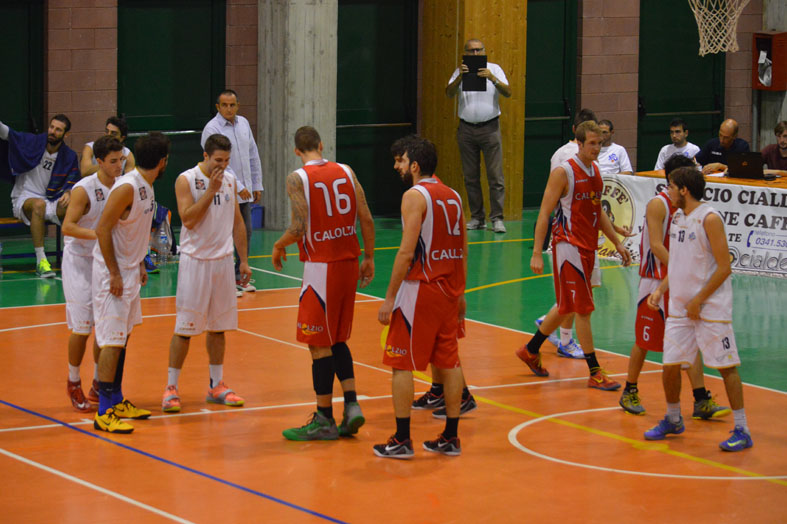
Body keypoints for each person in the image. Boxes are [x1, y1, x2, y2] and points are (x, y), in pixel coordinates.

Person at [272, 126, 375, 441]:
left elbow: (299, 226)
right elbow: (366, 218)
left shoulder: (297, 178)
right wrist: (369, 257)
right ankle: (352, 405)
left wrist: (278, 244)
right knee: (337, 338)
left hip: (321, 268)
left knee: (318, 343)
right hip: (348, 264)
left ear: (297, 151)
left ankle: (324, 418)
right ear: (321, 144)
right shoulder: (346, 171)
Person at [516, 121, 632, 389]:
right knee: (583, 310)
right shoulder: (564, 172)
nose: (596, 148)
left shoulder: (595, 171)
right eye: (591, 143)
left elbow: (598, 211)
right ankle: (595, 372)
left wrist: (617, 242)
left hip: (588, 246)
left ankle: (530, 350)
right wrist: (536, 252)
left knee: (566, 306)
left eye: (599, 143)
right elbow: (544, 213)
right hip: (568, 246)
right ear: (578, 143)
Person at [643, 167, 752, 452]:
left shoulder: (710, 218)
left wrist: (698, 300)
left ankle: (742, 429)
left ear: (684, 190)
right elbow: (678, 263)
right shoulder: (678, 218)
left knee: (726, 367)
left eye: (671, 186)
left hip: (710, 309)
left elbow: (725, 267)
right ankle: (673, 418)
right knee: (670, 365)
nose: (667, 191)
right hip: (681, 308)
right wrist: (661, 289)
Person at [374, 135, 468, 459]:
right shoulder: (454, 195)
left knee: (400, 364)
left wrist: (389, 298)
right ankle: (451, 437)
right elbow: (462, 250)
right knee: (449, 362)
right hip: (449, 291)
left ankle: (402, 439)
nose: (397, 167)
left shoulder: (414, 196)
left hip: (421, 290)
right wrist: (461, 292)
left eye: (401, 162)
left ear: (415, 165)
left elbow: (406, 252)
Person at [619, 154, 730, 419]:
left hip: (677, 280)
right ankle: (629, 389)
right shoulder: (658, 204)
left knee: (688, 338)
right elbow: (656, 246)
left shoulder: (689, 209)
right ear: (673, 179)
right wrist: (682, 268)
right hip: (655, 279)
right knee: (644, 340)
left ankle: (700, 399)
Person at [161, 135, 252, 413]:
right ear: (205, 156)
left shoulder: (230, 180)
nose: (222, 166)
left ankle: (216, 385)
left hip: (223, 263)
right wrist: (211, 191)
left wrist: (244, 261)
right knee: (184, 329)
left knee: (218, 328)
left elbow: (237, 223)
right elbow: (188, 219)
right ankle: (171, 387)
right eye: (217, 160)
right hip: (195, 262)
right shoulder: (186, 180)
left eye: (226, 161)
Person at [92, 132, 170, 433]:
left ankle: (117, 399)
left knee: (122, 338)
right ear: (163, 162)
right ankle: (103, 412)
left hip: (129, 270)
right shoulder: (127, 187)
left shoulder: (146, 187)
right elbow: (102, 229)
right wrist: (114, 272)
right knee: (112, 341)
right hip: (112, 274)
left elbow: (131, 230)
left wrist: (139, 262)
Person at [62, 136, 125, 412]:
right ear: (99, 161)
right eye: (113, 161)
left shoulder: (124, 186)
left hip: (105, 260)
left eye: (121, 159)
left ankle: (99, 382)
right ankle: (73, 381)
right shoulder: (84, 189)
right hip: (79, 260)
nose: (119, 165)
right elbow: (68, 226)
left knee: (105, 326)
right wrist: (99, 235)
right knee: (82, 327)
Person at [0, 115, 80, 278]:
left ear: (66, 135)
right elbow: (7, 133)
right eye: (51, 127)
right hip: (25, 197)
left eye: (58, 130)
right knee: (38, 205)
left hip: (51, 198)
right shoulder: (33, 142)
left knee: (77, 206)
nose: (53, 131)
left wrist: (68, 192)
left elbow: (74, 180)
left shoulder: (69, 156)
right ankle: (41, 260)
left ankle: (76, 255)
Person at [446, 38, 511, 233]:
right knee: (470, 176)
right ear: (465, 53)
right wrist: (460, 77)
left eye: (478, 50)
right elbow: (449, 93)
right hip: (466, 129)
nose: (475, 54)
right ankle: (477, 217)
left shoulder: (494, 69)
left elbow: (508, 92)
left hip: (490, 128)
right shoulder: (460, 71)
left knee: (495, 176)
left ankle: (497, 218)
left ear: (484, 51)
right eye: (471, 51)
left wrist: (492, 78)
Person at [201, 89, 263, 296]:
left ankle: (239, 276)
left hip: (245, 192)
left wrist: (256, 184)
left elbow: (253, 154)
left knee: (245, 232)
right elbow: (218, 163)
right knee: (225, 234)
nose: (229, 109)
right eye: (225, 105)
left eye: (232, 105)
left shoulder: (244, 124)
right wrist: (239, 185)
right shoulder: (212, 128)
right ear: (218, 107)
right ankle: (224, 280)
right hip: (223, 190)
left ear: (238, 105)